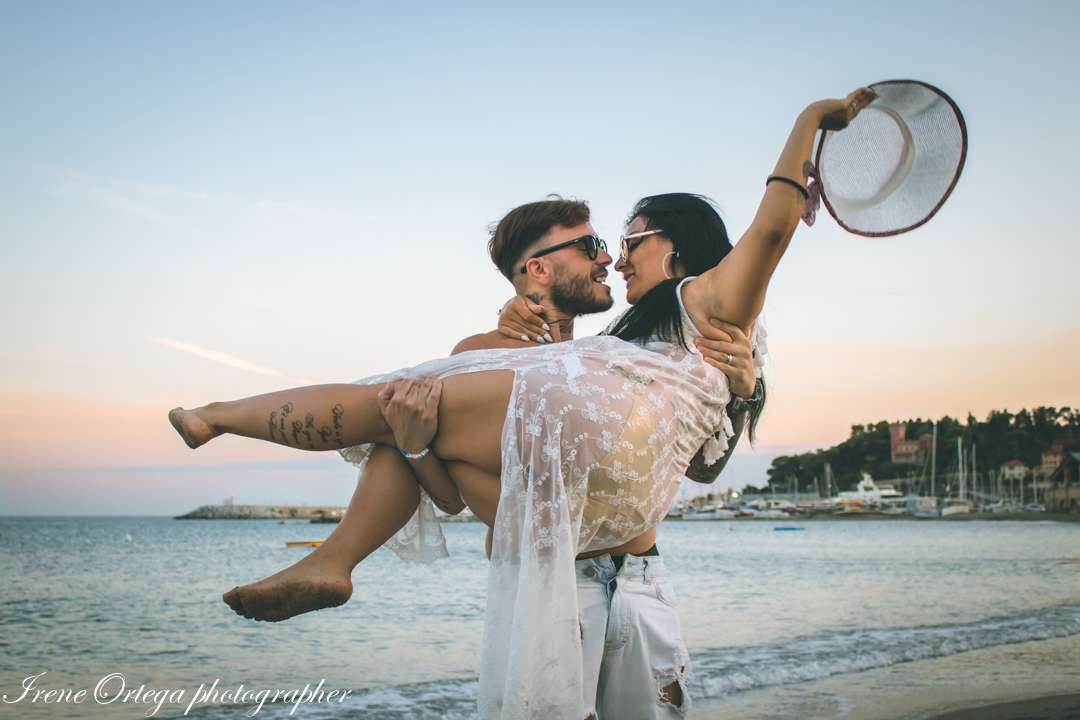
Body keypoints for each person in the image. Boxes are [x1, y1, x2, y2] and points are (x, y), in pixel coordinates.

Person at [168, 87, 876, 719]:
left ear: (676, 248)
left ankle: (239, 440)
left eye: (622, 242)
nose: (611, 258)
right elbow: (454, 497)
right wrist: (414, 442)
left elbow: (697, 460)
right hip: (550, 574)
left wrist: (744, 387)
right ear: (538, 267)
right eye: (597, 245)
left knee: (386, 400)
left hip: (633, 574)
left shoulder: (648, 338)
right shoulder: (552, 350)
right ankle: (306, 525)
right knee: (395, 417)